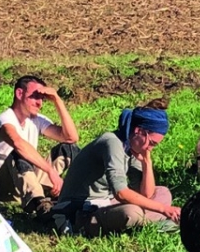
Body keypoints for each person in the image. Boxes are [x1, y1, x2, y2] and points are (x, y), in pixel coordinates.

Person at [53, 100, 178, 235]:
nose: (150, 148)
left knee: (163, 193)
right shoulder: (112, 142)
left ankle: (146, 224)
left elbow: (147, 194)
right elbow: (121, 193)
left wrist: (147, 162)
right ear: (139, 131)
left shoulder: (131, 147)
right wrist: (163, 209)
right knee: (132, 212)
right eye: (152, 143)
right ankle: (153, 225)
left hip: (106, 202)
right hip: (82, 207)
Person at [0, 75, 80, 215]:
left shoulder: (36, 120)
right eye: (35, 97)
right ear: (19, 94)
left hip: (25, 180)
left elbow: (71, 138)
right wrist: (50, 171)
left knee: (68, 149)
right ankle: (42, 208)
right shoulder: (4, 120)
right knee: (19, 153)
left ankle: (68, 195)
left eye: (42, 99)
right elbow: (18, 144)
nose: (40, 103)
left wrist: (57, 100)